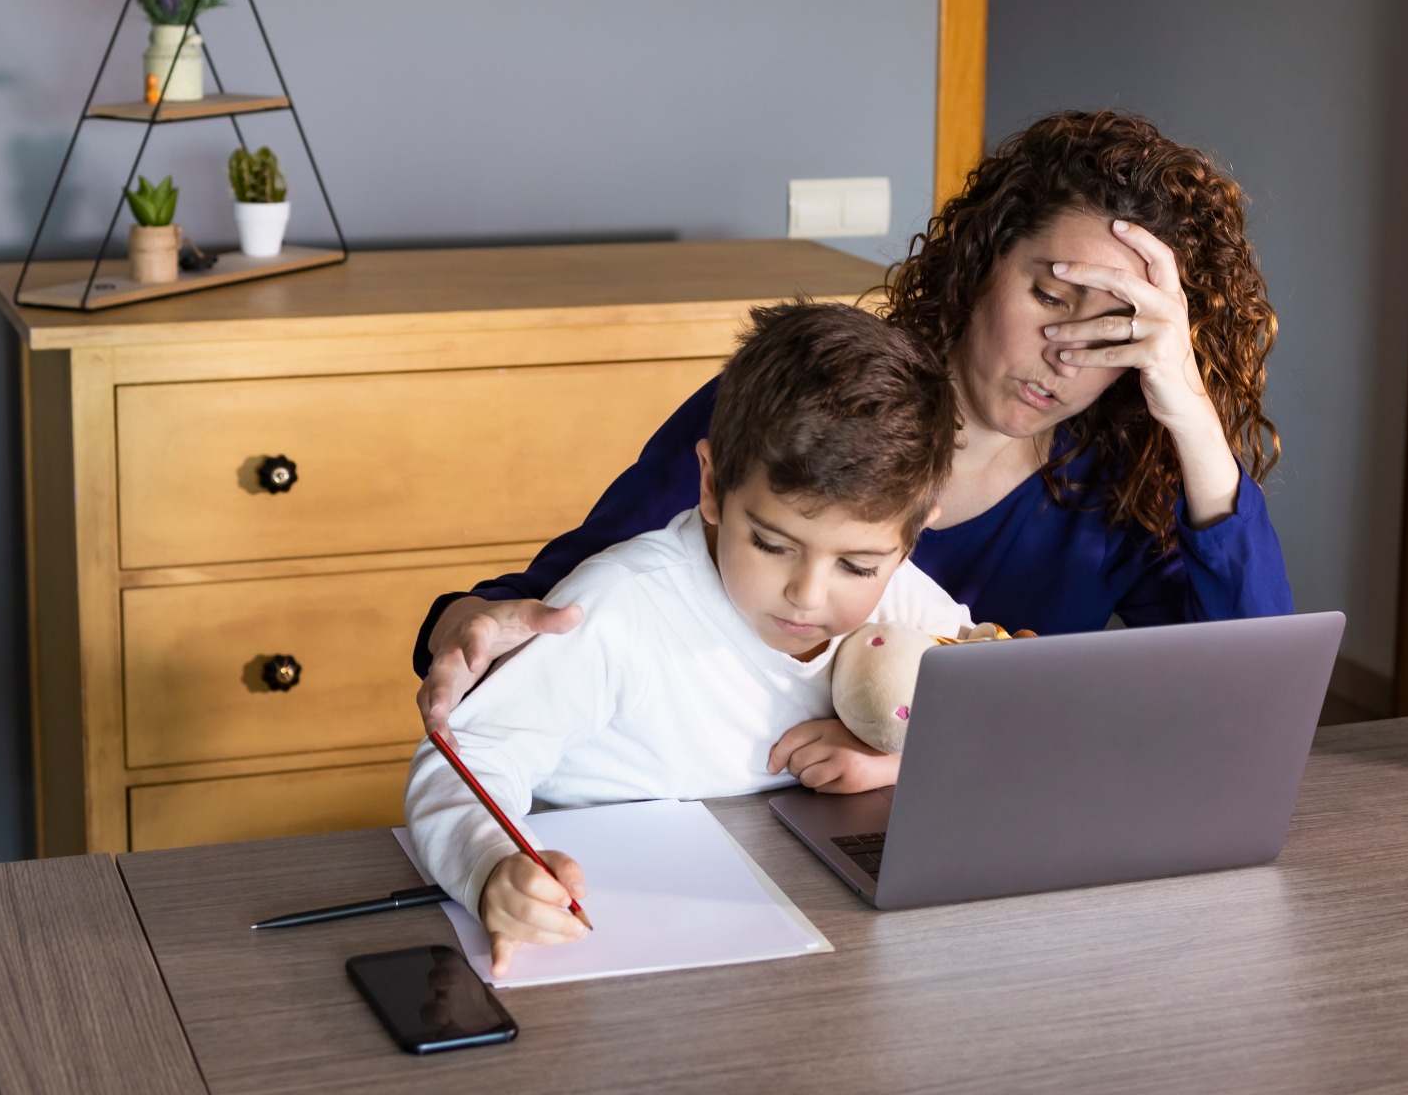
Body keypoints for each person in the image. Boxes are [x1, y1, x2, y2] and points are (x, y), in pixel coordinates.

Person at [413, 110, 1291, 748]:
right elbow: (574, 590)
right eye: (1051, 300)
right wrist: (465, 619)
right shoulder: (807, 402)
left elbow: (1251, 704)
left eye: (1115, 332)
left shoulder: (1117, 484)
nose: (1066, 354)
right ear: (980, 266)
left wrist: (1191, 416)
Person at [404, 300, 971, 976]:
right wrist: (490, 866)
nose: (807, 595)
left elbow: (996, 698)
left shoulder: (903, 594)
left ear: (913, 533)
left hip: (793, 940)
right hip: (614, 941)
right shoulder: (622, 605)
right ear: (711, 484)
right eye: (770, 543)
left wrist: (894, 759)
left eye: (857, 566)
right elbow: (464, 760)